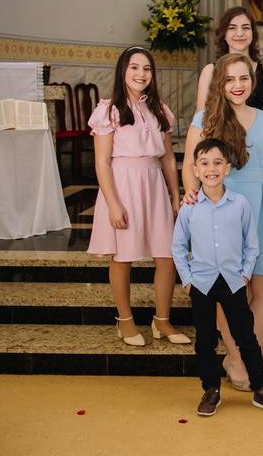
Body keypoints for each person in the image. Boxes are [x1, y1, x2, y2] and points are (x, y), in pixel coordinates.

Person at [182, 53, 263, 389]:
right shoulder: (206, 117)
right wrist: (193, 197)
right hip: (222, 207)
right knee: (228, 287)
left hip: (261, 205)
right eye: (230, 79)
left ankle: (252, 356)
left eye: (244, 78)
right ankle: (236, 358)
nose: (237, 85)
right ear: (220, 84)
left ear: (252, 83)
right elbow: (189, 165)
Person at [173, 138, 263, 416]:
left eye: (217, 163)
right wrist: (187, 279)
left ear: (227, 168)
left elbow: (252, 244)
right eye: (204, 163)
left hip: (234, 281)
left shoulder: (240, 204)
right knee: (205, 341)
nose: (211, 169)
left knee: (246, 337)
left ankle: (260, 389)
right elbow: (178, 246)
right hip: (201, 282)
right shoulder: (189, 207)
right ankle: (210, 389)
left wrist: (245, 274)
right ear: (196, 170)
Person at [87, 46, 189, 347]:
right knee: (123, 257)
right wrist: (113, 204)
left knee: (167, 256)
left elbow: (167, 158)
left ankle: (162, 320)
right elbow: (101, 162)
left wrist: (175, 196)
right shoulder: (109, 110)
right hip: (123, 185)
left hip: (154, 185)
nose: (141, 74)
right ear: (123, 71)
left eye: (147, 69)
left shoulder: (160, 110)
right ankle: (125, 321)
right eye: (134, 67)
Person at [196, 6, 263, 115]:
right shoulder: (210, 71)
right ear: (224, 34)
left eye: (245, 28)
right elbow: (200, 115)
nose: (240, 34)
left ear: (253, 34)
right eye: (232, 28)